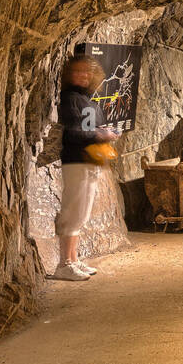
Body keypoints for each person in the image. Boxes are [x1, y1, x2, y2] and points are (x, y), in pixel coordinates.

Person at [54, 54, 117, 281]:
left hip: (90, 161)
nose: (83, 75)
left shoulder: (90, 101)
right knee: (72, 213)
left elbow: (92, 126)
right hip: (75, 161)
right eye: (78, 71)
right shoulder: (69, 98)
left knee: (81, 214)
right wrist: (101, 134)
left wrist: (106, 132)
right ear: (69, 74)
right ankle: (64, 264)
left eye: (87, 71)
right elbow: (73, 132)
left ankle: (74, 258)